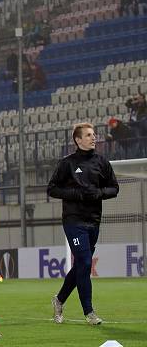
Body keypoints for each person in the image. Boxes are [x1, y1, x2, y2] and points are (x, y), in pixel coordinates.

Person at [47, 123, 119, 326]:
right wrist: (76, 194)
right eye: (88, 135)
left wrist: (99, 193)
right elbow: (52, 189)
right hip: (73, 220)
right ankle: (89, 312)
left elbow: (114, 188)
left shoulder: (102, 162)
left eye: (93, 134)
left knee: (81, 264)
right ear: (78, 140)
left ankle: (59, 299)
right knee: (85, 263)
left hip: (94, 220)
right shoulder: (67, 164)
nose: (93, 137)